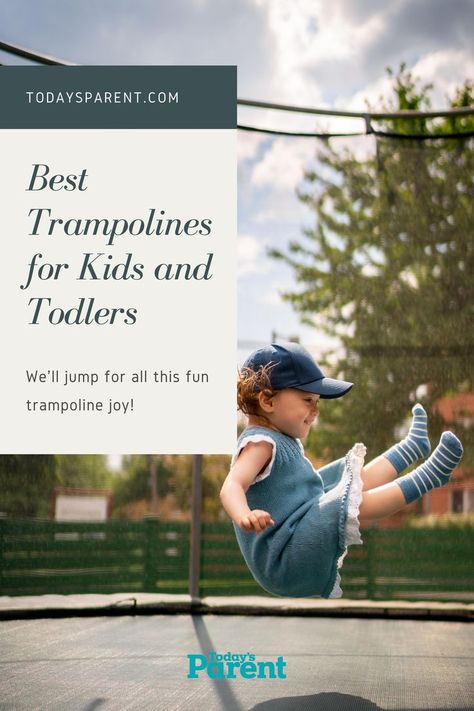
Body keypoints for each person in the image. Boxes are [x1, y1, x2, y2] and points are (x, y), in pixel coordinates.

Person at [219, 342, 463, 598]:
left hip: (298, 525)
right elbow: (232, 485)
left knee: (347, 480)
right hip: (284, 556)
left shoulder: (279, 439)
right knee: (348, 502)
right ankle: (430, 476)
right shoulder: (259, 443)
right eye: (307, 400)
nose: (315, 411)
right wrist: (244, 514)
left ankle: (411, 448)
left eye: (317, 402)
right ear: (268, 400)